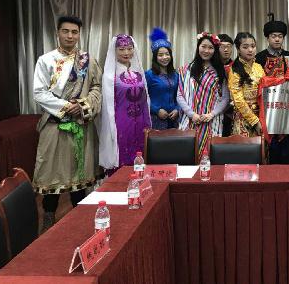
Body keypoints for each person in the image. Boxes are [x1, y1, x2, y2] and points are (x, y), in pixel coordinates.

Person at [32, 15, 102, 230]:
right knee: (51, 176)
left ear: (79, 34)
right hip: (54, 127)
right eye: (66, 31)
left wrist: (82, 105)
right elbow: (39, 93)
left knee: (79, 178)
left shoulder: (87, 60)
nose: (70, 36)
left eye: (74, 32)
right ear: (58, 32)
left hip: (81, 126)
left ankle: (81, 224)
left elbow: (97, 88)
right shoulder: (46, 60)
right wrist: (65, 107)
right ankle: (48, 220)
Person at [99, 34, 151, 173]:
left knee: (141, 152)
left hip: (141, 120)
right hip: (121, 121)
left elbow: (145, 99)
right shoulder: (110, 75)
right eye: (121, 49)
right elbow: (107, 105)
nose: (126, 52)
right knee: (122, 153)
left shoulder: (138, 72)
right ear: (114, 51)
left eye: (129, 48)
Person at [177, 32, 230, 159]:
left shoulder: (220, 71)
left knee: (209, 156)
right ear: (198, 47)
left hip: (211, 120)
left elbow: (225, 98)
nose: (206, 51)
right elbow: (179, 95)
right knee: (187, 156)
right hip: (190, 120)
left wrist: (211, 114)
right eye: (203, 46)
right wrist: (192, 114)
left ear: (215, 50)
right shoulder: (186, 70)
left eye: (210, 48)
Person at [255, 15, 289, 163]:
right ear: (267, 38)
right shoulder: (259, 57)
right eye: (274, 36)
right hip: (266, 107)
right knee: (269, 147)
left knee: (287, 147)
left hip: (286, 106)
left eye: (280, 36)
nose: (277, 39)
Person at [227, 32, 265, 137]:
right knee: (245, 146)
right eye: (245, 47)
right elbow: (238, 100)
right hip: (243, 117)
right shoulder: (234, 70)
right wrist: (255, 121)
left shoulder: (258, 67)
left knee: (261, 146)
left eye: (253, 46)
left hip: (261, 115)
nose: (250, 50)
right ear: (238, 49)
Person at [145, 28, 179, 130]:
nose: (164, 57)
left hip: (174, 119)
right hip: (155, 119)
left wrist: (177, 109)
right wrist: (156, 110)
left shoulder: (175, 75)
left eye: (167, 54)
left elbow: (180, 95)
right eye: (160, 55)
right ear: (155, 57)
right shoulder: (149, 75)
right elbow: (142, 98)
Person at [218, 33, 235, 135]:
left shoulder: (236, 66)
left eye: (229, 46)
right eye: (222, 47)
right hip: (214, 109)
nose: (226, 50)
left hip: (231, 111)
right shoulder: (211, 67)